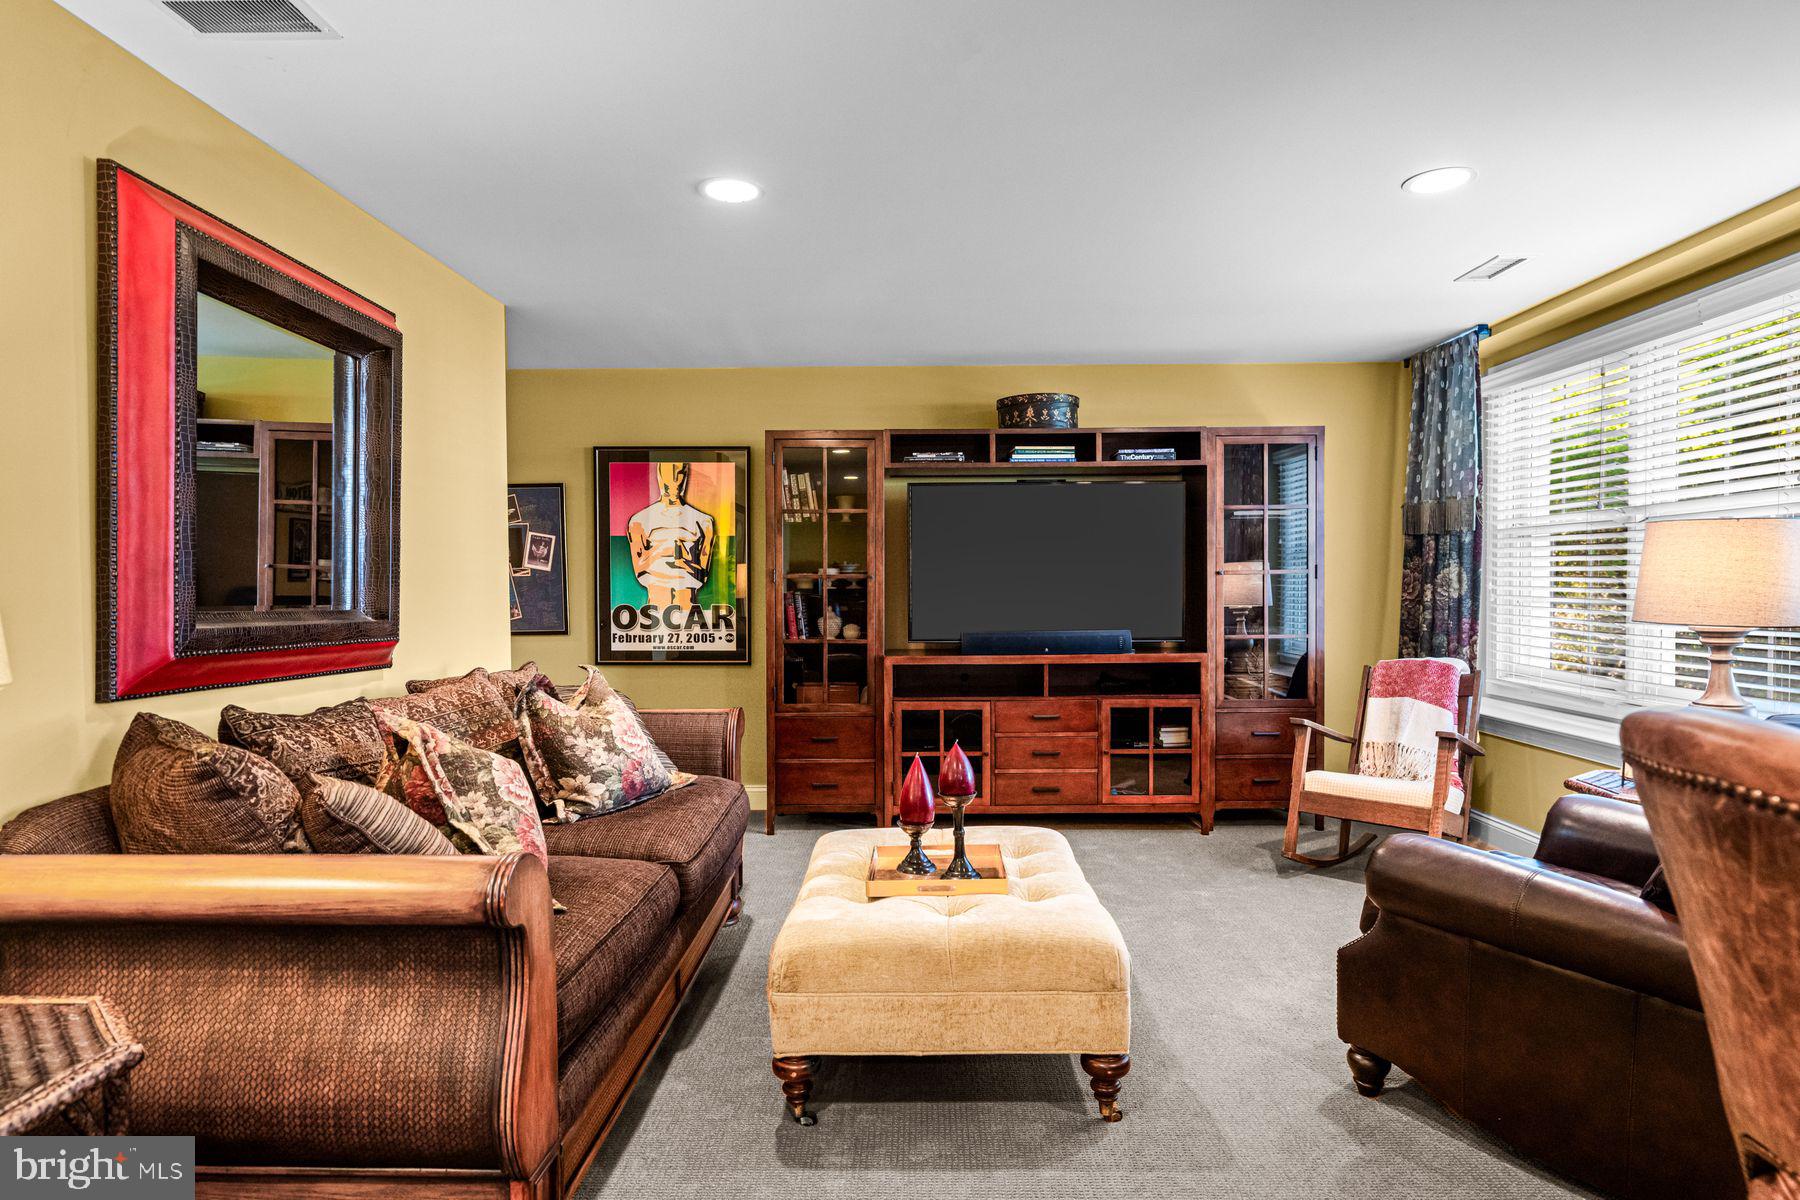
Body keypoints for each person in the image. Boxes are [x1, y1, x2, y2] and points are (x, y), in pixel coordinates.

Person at [627, 461, 715, 609]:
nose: (672, 481)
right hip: (656, 605)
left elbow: (703, 574)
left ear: (686, 475)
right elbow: (639, 569)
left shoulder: (704, 521)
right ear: (658, 475)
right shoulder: (639, 521)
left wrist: (685, 560)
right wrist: (663, 550)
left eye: (678, 474)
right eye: (666, 474)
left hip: (688, 603)